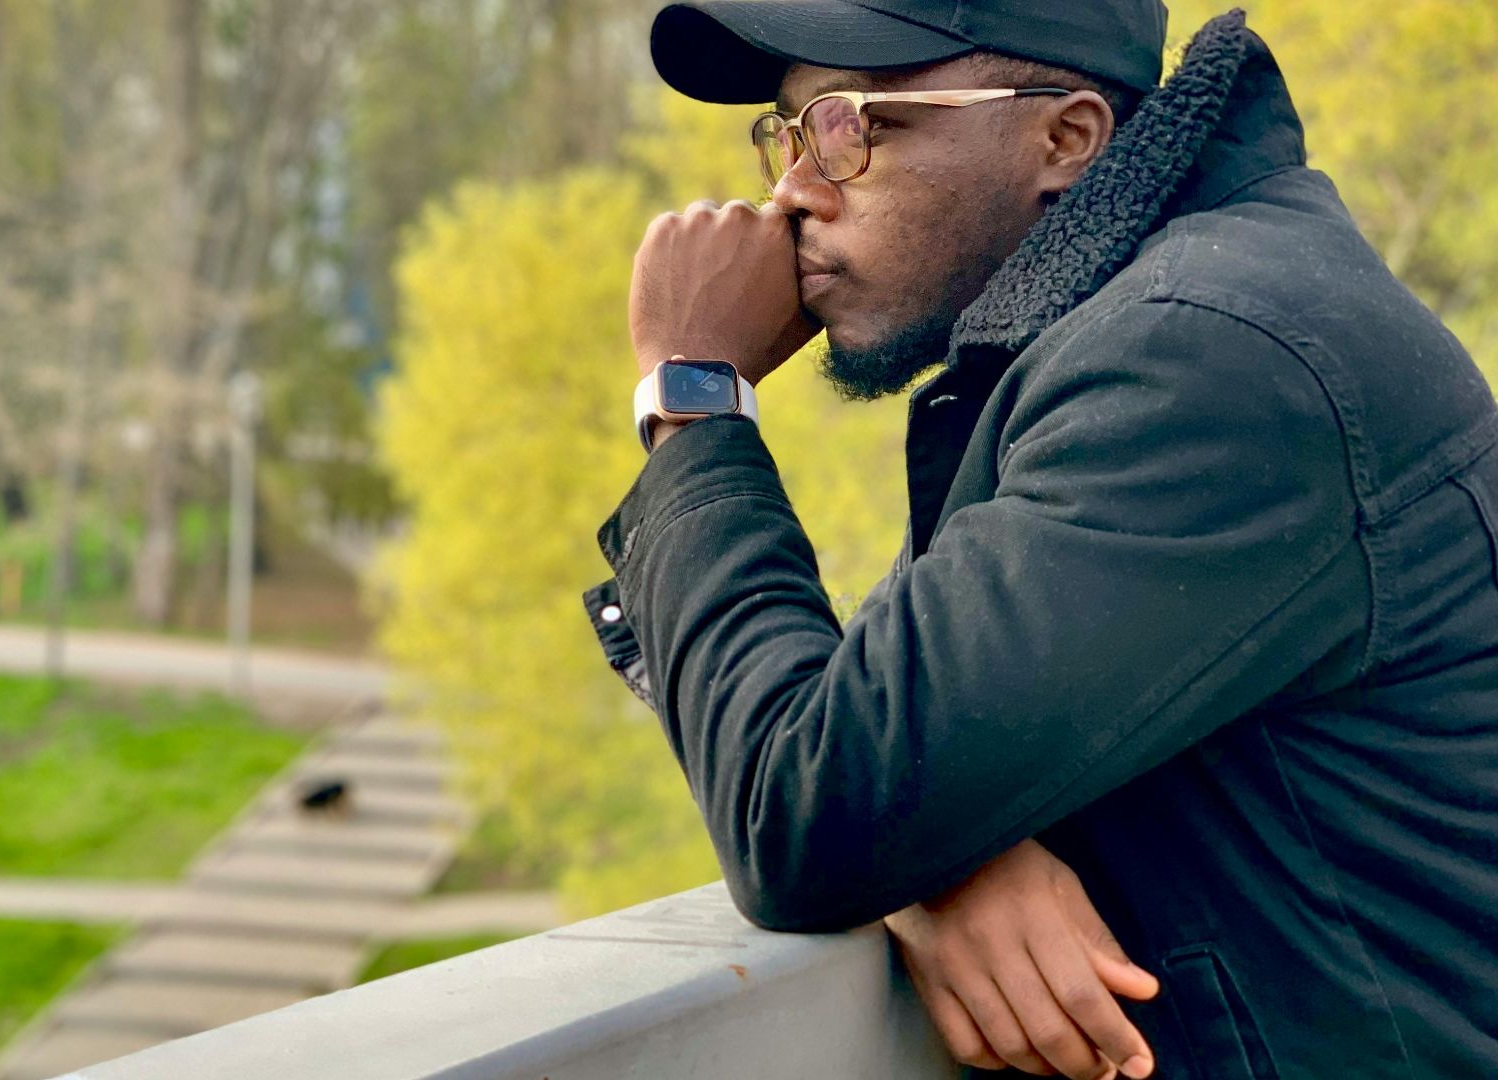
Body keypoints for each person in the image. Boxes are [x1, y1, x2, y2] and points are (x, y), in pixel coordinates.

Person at [581, 2, 1498, 1077]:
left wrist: (695, 401)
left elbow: (807, 804)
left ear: (1066, 138)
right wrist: (937, 858)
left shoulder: (1205, 362)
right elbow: (871, 744)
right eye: (790, 133)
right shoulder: (1136, 324)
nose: (794, 191)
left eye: (849, 127)